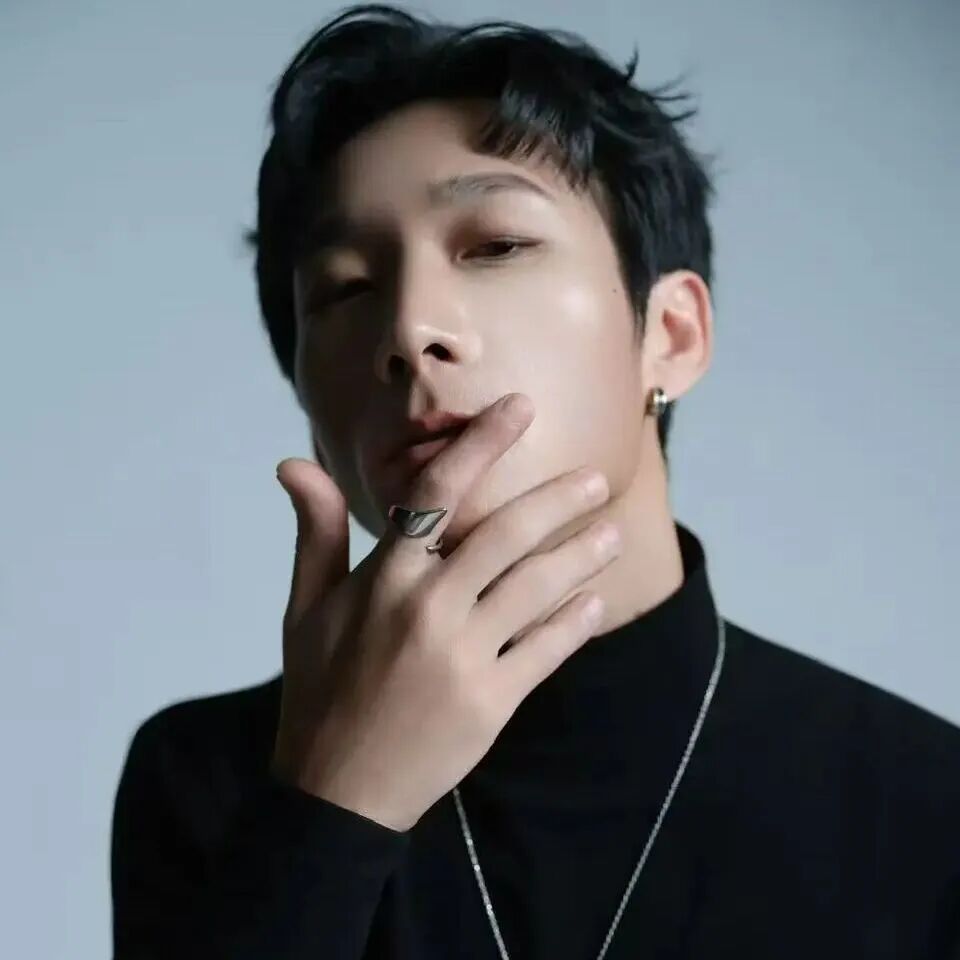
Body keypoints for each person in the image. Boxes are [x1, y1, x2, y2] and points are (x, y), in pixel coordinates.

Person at [109, 4, 960, 958]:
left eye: (496, 245)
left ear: (670, 335)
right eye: (346, 288)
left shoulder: (925, 804)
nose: (409, 331)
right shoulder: (208, 781)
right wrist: (332, 807)